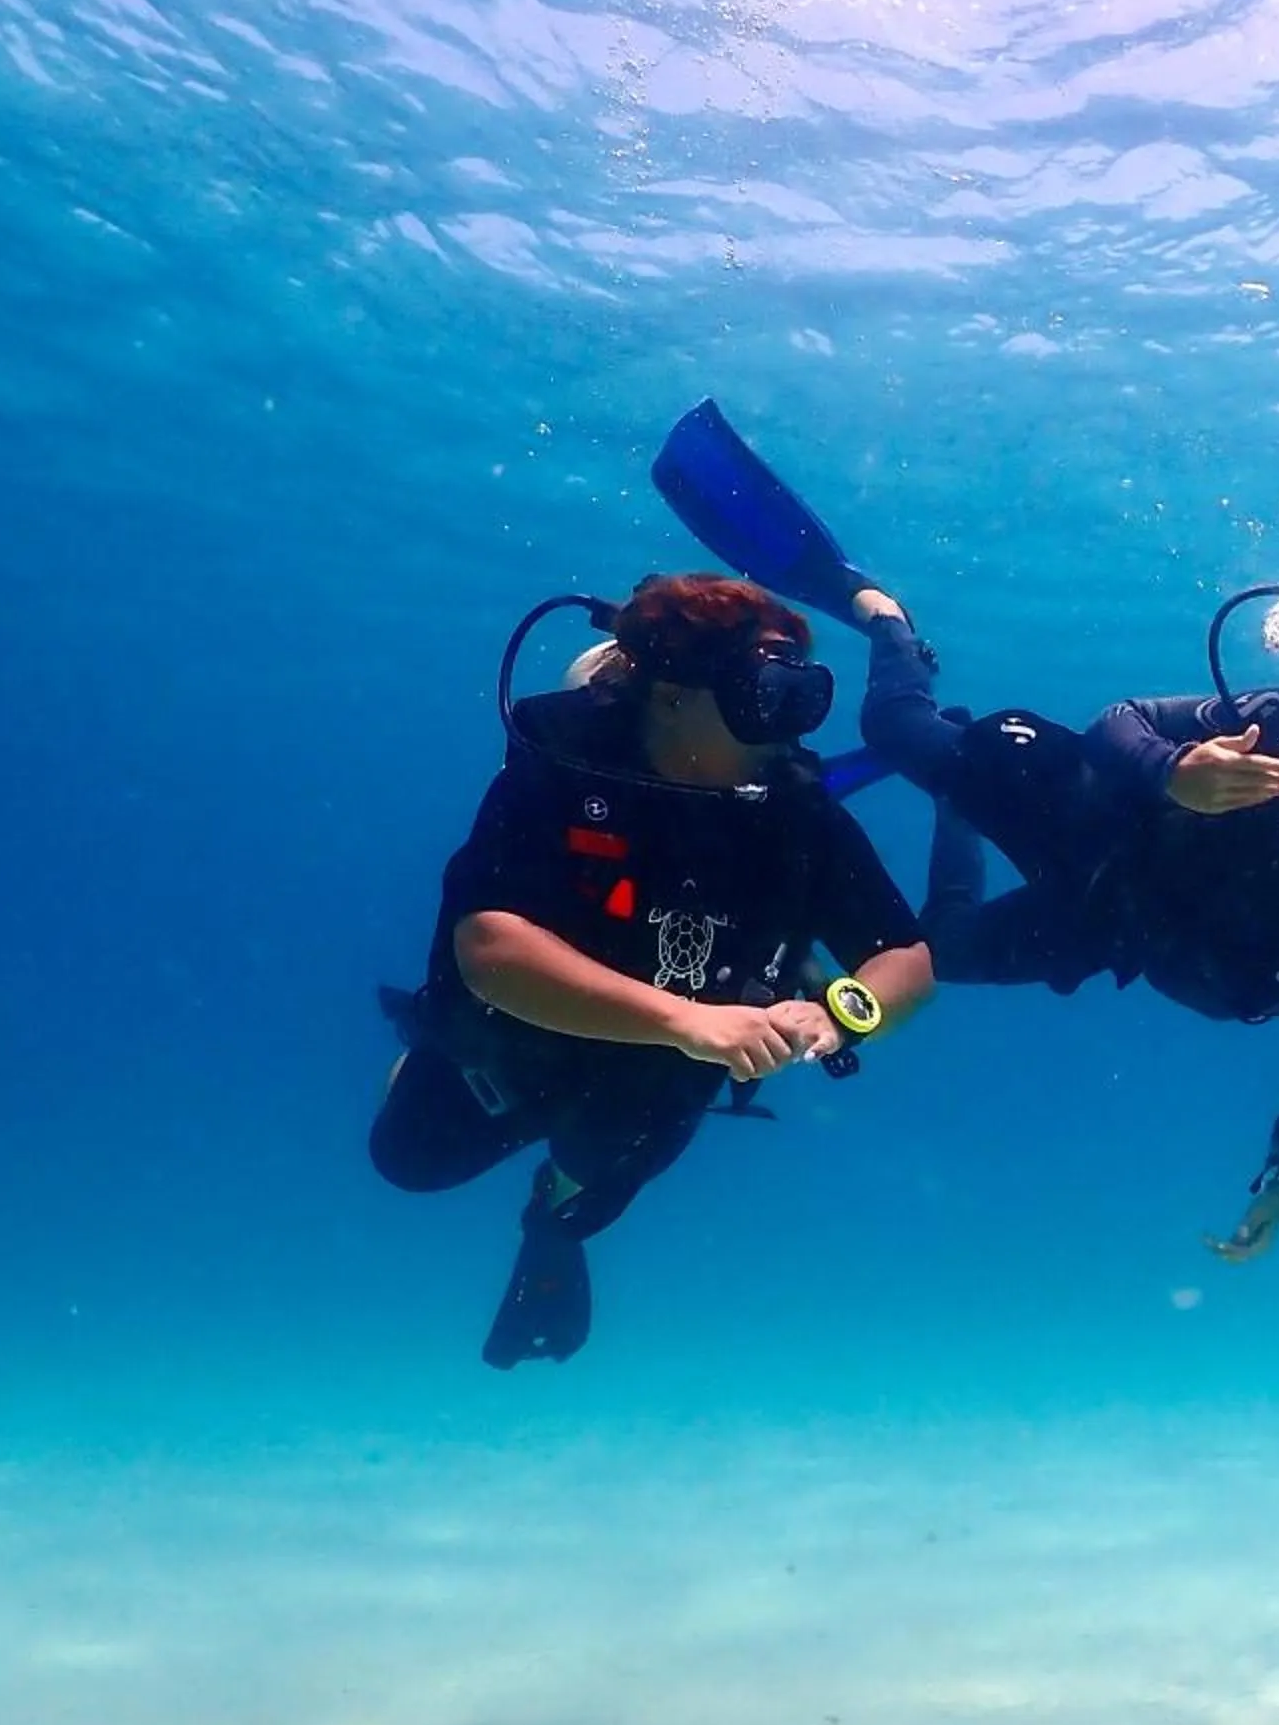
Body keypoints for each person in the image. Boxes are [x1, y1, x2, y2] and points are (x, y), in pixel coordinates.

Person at [649, 401, 1279, 1262]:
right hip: (1102, 818)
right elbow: (1120, 721)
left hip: (1122, 925)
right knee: (893, 729)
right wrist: (1177, 770)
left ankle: (951, 798)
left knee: (939, 951)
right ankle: (886, 618)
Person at [371, 573, 932, 1367]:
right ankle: (418, 1049)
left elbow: (904, 958)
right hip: (520, 1043)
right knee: (408, 1164)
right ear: (670, 695)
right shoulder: (561, 773)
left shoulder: (795, 811)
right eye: (757, 693)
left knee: (593, 1191)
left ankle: (552, 1213)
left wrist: (842, 1013)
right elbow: (490, 949)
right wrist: (687, 1019)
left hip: (664, 1076)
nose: (781, 724)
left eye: (793, 694)